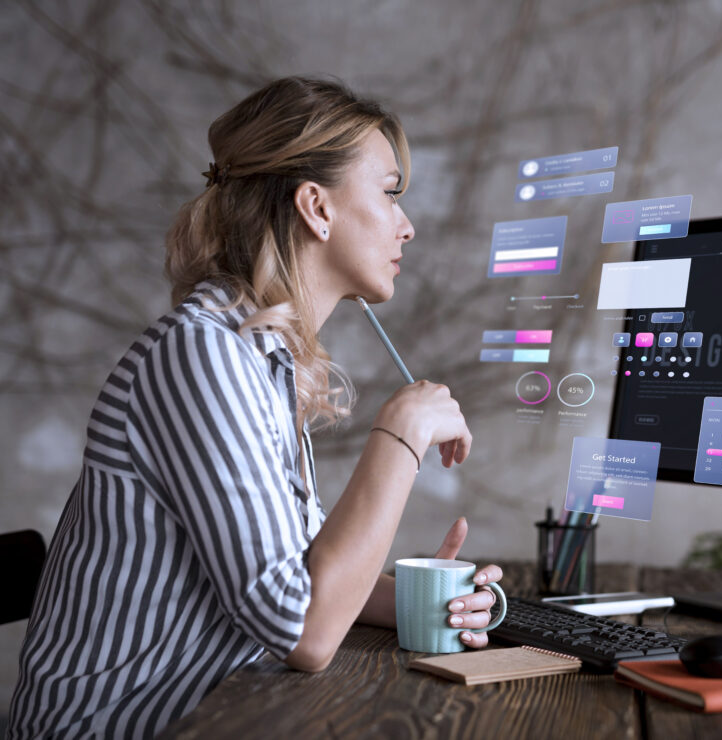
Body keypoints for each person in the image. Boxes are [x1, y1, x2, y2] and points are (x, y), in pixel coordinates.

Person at [7, 76, 502, 739]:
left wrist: (428, 603)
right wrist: (401, 432)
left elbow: (291, 580)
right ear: (316, 208)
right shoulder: (203, 356)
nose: (406, 226)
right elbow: (305, 633)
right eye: (389, 194)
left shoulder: (261, 359)